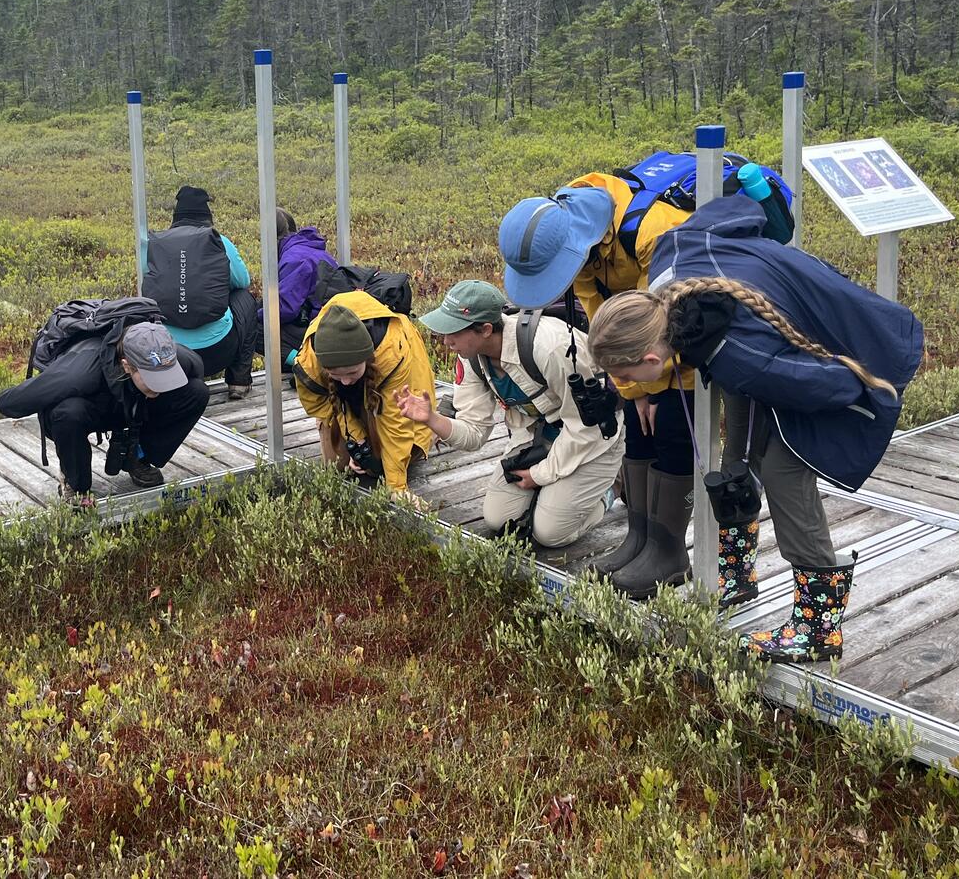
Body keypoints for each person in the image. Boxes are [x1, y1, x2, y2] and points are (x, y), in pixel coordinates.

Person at [587, 193, 924, 662]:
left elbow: (834, 388)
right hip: (780, 342)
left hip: (858, 349)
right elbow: (740, 210)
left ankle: (817, 626)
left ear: (651, 359)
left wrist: (870, 390)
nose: (623, 386)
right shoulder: (670, 253)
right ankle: (738, 575)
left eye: (625, 377)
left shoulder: (740, 356)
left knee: (785, 472)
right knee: (736, 456)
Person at [498, 178, 696, 598]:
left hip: (682, 344)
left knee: (674, 432)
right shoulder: (581, 241)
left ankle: (669, 553)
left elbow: (665, 323)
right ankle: (638, 540)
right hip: (633, 349)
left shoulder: (653, 231)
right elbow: (603, 327)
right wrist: (634, 390)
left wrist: (657, 389)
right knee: (639, 438)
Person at [396, 280, 623, 548]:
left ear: (486, 329)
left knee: (549, 534)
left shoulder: (550, 347)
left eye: (453, 332)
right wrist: (432, 420)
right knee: (498, 520)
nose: (446, 342)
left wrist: (539, 475)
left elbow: (585, 427)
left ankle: (611, 489)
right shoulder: (471, 357)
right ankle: (559, 493)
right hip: (538, 439)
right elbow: (474, 434)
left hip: (593, 439)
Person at [0, 321, 209, 503]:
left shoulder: (175, 358)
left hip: (134, 405)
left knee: (196, 392)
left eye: (165, 374)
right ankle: (75, 482)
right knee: (66, 412)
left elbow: (196, 372)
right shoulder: (80, 372)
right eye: (153, 378)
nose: (160, 385)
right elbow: (9, 402)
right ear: (127, 366)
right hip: (95, 408)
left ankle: (139, 457)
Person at [292, 290, 435, 497]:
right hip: (344, 403)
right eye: (336, 375)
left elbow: (397, 421)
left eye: (352, 372)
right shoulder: (308, 363)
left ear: (368, 359)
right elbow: (319, 404)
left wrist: (397, 488)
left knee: (396, 462)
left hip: (389, 388)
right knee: (339, 468)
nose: (346, 381)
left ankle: (437, 425)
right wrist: (356, 441)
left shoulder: (391, 353)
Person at [145, 185, 256, 399]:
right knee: (244, 298)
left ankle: (167, 384)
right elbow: (243, 281)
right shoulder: (219, 241)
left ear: (175, 217)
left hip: (171, 355)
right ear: (207, 217)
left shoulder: (156, 244)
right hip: (217, 352)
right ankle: (239, 382)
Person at [256, 207, 339, 370]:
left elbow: (284, 308)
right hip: (329, 326)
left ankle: (305, 363)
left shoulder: (295, 259)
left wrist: (256, 314)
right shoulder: (309, 248)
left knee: (253, 327)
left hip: (318, 331)